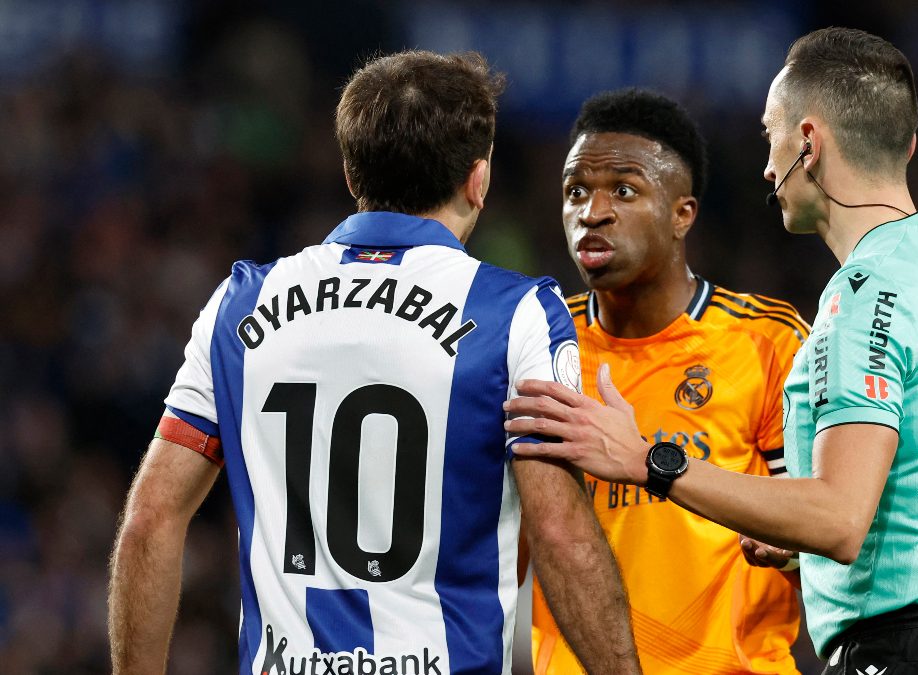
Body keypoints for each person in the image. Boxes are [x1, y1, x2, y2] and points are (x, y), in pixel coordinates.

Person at [505, 27, 918, 674]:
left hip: (902, 651)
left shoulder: (862, 298)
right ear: (906, 144)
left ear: (808, 143)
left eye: (772, 136)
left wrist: (649, 460)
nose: (767, 166)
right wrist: (797, 543)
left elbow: (839, 519)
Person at [107, 50, 641, 675]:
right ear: (478, 179)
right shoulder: (516, 314)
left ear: (351, 175)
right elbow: (559, 534)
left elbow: (150, 518)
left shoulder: (240, 304)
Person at [526, 89, 809, 674]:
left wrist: (789, 551)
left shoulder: (769, 343)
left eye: (624, 191)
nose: (593, 212)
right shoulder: (536, 345)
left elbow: (834, 528)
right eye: (576, 191)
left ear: (683, 214)